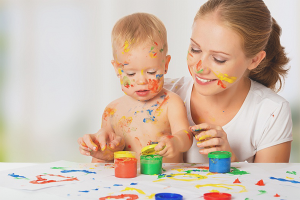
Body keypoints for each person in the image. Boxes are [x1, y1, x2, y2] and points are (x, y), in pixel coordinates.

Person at [79, 0, 293, 163]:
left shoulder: (270, 112)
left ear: (254, 60)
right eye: (195, 49)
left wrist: (230, 159)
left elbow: (269, 189)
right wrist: (105, 149)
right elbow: (114, 164)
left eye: (219, 59)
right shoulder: (156, 95)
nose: (200, 67)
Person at [78, 13, 193, 163]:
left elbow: (186, 136)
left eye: (151, 72)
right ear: (117, 69)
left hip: (166, 182)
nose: (141, 80)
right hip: (127, 184)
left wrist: (176, 142)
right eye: (131, 73)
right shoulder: (111, 111)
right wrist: (101, 151)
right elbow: (103, 162)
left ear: (165, 65)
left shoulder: (171, 103)